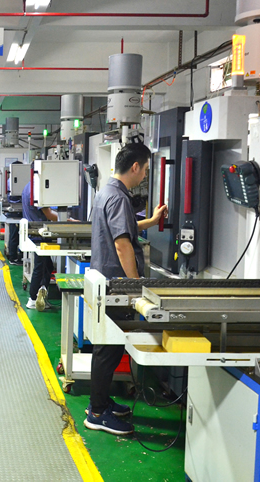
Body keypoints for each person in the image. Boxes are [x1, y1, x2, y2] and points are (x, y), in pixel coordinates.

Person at [85, 143, 167, 436]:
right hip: (116, 285)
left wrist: (152, 221)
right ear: (135, 167)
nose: (144, 176)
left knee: (108, 347)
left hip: (104, 282)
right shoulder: (119, 198)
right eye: (145, 170)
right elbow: (122, 244)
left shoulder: (106, 192)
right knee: (108, 350)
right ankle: (97, 412)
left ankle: (101, 402)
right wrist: (135, 286)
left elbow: (123, 228)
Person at [21, 174, 59, 312]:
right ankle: (32, 299)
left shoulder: (28, 186)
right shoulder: (36, 189)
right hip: (38, 234)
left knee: (47, 265)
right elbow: (49, 214)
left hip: (33, 231)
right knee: (40, 266)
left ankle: (41, 295)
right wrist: (68, 220)